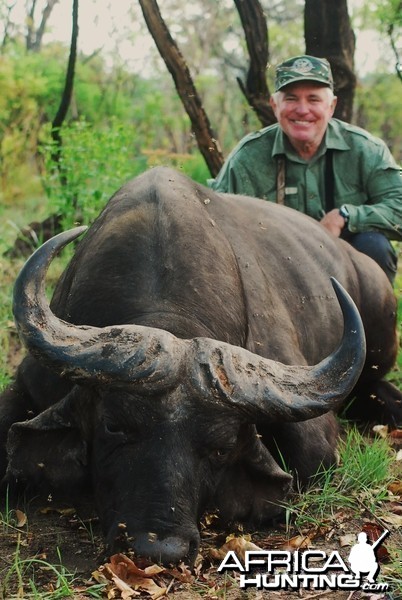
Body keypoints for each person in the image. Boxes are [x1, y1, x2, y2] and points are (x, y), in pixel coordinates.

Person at [211, 55, 402, 284]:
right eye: (291, 99)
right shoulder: (247, 157)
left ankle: (368, 320)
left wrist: (346, 216)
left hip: (347, 270)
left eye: (313, 99)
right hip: (276, 271)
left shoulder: (365, 149)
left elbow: (398, 207)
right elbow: (214, 224)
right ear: (275, 105)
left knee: (374, 246)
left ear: (331, 107)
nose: (302, 110)